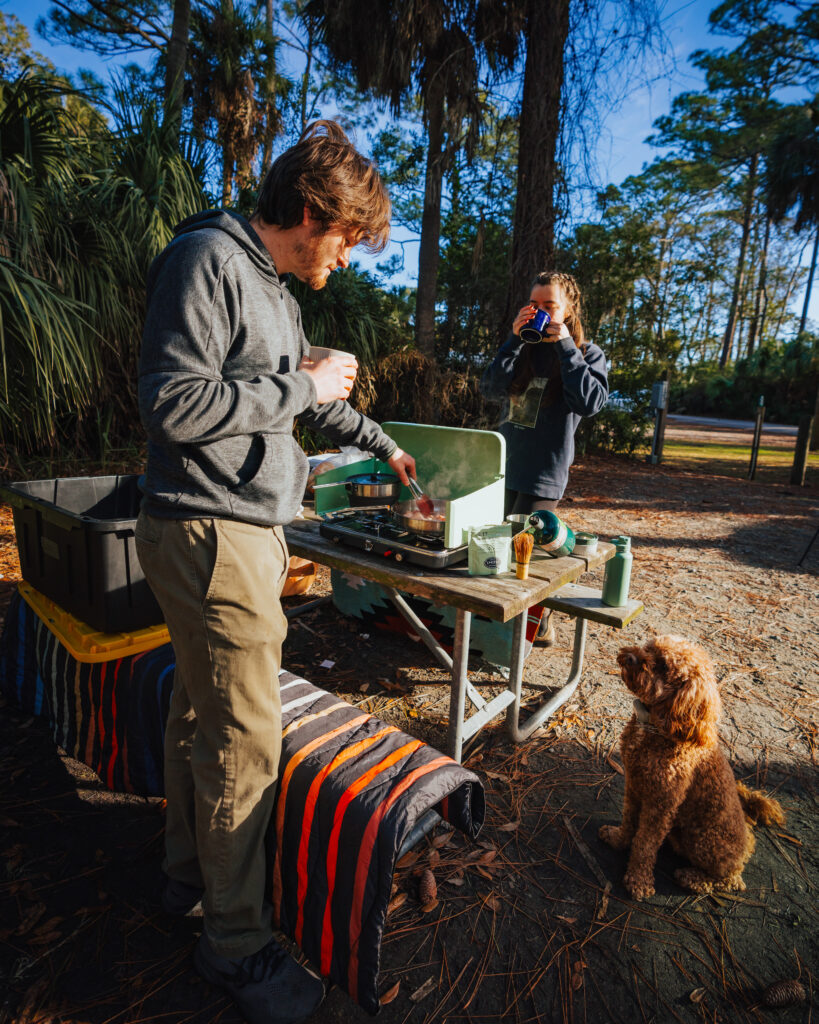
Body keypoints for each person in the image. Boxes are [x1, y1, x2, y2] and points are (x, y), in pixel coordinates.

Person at [135, 120, 416, 1024]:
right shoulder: (209, 261)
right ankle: (238, 945)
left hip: (236, 530)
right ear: (308, 213)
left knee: (200, 714)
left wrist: (381, 442)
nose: (349, 258)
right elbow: (175, 404)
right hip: (209, 530)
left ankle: (186, 876)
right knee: (245, 743)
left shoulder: (277, 293)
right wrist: (304, 387)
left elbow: (292, 404)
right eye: (346, 238)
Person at [480, 271, 608, 643]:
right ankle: (495, 629)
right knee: (495, 548)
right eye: (534, 305)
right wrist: (512, 340)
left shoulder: (587, 353)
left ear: (568, 310)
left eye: (549, 306)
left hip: (544, 471)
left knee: (526, 553)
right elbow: (489, 389)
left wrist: (566, 346)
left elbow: (590, 402)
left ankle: (537, 622)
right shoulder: (523, 349)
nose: (540, 312)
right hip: (504, 466)